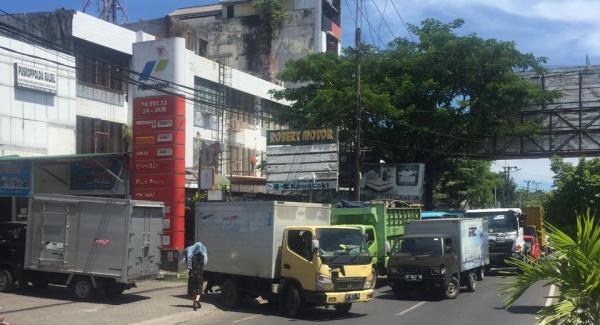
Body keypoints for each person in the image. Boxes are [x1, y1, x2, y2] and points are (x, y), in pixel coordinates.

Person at [183, 242, 208, 310]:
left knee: (193, 289)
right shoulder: (203, 256)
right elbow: (204, 264)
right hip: (199, 275)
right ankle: (197, 300)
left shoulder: (191, 256)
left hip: (192, 275)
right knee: (199, 289)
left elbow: (187, 263)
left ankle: (194, 302)